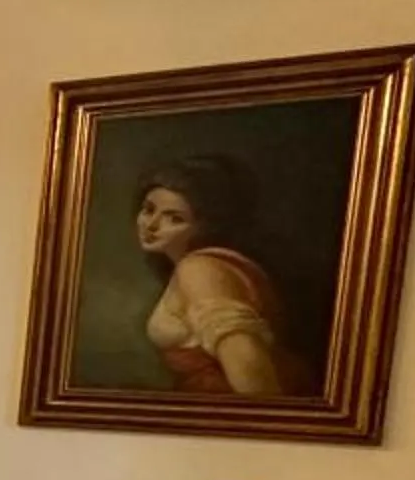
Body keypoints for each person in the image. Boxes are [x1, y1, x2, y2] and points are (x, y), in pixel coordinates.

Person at [131, 154, 314, 397]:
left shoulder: (200, 269)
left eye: (175, 218)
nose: (151, 225)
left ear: (206, 226)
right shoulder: (196, 266)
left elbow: (251, 375)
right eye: (148, 209)